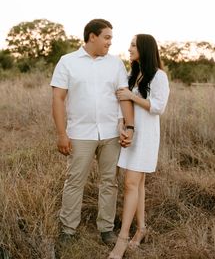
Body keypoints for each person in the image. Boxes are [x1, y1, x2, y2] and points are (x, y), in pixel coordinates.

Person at [50, 19, 134, 246]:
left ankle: (106, 229)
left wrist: (128, 126)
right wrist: (61, 134)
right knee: (74, 181)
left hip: (111, 133)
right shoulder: (67, 62)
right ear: (92, 36)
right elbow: (58, 98)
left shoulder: (115, 64)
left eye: (111, 38)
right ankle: (68, 230)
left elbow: (123, 94)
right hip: (79, 133)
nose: (110, 42)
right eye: (107, 37)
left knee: (110, 182)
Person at [108, 34, 170, 259]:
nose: (129, 48)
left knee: (130, 184)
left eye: (133, 45)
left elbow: (158, 107)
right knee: (138, 185)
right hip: (130, 134)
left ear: (144, 48)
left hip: (146, 137)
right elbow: (121, 104)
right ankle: (141, 229)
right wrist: (120, 125)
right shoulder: (132, 75)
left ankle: (123, 239)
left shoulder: (158, 76)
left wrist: (132, 98)